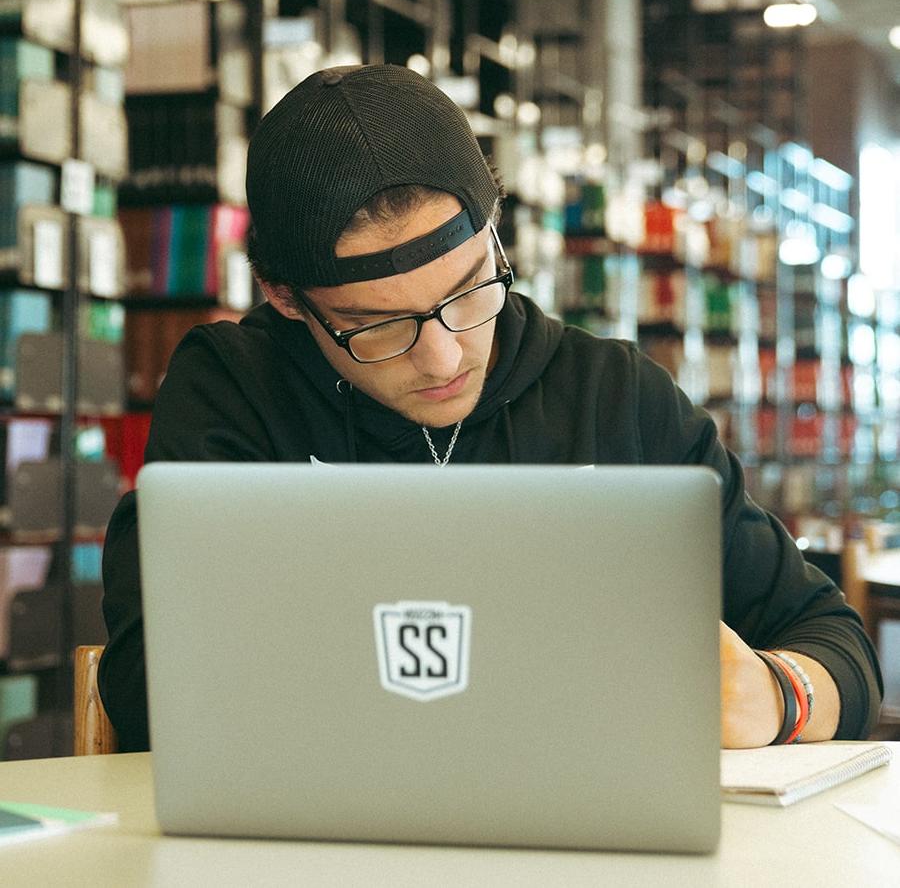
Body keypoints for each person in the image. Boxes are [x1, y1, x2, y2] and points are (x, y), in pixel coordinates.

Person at [98, 64, 883, 753]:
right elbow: (146, 696)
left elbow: (837, 644)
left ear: (496, 231)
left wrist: (779, 695)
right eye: (377, 325)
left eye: (468, 290)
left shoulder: (617, 397)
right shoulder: (234, 394)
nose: (443, 358)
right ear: (286, 300)